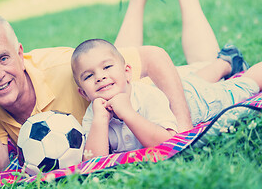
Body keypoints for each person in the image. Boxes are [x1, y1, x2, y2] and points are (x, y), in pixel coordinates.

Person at [0, 0, 221, 176]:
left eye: (3, 59)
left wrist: (184, 133)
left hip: (144, 100)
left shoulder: (60, 68)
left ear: (20, 54)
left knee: (206, 70)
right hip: (113, 95)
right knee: (109, 62)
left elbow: (154, 57)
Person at [71, 38, 261, 159]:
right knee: (194, 81)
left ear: (127, 72)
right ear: (83, 93)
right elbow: (93, 161)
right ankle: (226, 61)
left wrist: (128, 113)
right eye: (88, 76)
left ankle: (234, 66)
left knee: (241, 87)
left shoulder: (146, 97)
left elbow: (167, 142)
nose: (100, 77)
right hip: (181, 89)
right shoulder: (94, 114)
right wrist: (100, 120)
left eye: (107, 67)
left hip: (195, 102)